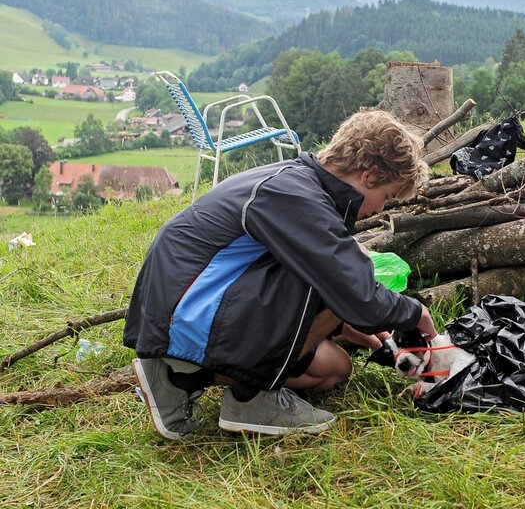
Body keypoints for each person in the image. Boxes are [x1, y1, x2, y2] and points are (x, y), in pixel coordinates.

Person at [123, 110, 437, 440]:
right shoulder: (296, 195)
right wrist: (416, 313)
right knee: (346, 271)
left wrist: (345, 325)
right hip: (187, 312)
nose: (379, 209)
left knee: (333, 369)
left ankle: (179, 379)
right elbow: (355, 292)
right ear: (369, 175)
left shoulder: (302, 185)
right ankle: (252, 398)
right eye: (386, 196)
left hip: (194, 306)